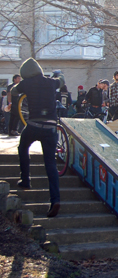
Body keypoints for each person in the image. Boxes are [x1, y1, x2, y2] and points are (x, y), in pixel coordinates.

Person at [11, 58, 64, 217]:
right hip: (51, 128)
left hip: (34, 125)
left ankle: (26, 179)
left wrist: (19, 85)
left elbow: (14, 91)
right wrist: (59, 74)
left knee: (23, 147)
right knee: (50, 164)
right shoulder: (50, 82)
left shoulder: (26, 84)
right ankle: (55, 200)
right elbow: (61, 81)